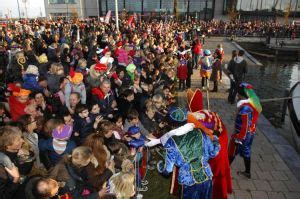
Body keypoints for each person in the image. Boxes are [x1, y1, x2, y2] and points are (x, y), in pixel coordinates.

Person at [228, 83, 262, 179]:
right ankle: (247, 172)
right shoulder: (249, 104)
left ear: (242, 95)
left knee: (232, 151)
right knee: (246, 151)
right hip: (248, 133)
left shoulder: (245, 108)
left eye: (238, 94)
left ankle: (224, 171)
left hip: (242, 135)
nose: (237, 96)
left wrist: (239, 138)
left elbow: (245, 125)